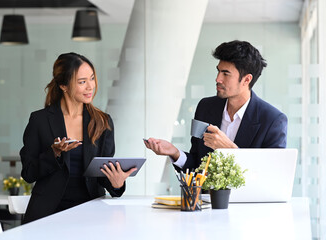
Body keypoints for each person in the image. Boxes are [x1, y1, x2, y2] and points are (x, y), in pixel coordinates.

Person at [20, 52, 136, 223]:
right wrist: (54, 153)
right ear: (63, 85)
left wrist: (117, 183)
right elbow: (28, 173)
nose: (90, 87)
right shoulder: (40, 121)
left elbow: (103, 174)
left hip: (91, 213)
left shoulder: (102, 122)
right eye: (82, 82)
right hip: (47, 214)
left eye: (92, 78)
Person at [144, 40, 287, 171]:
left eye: (226, 74)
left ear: (246, 80)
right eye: (218, 71)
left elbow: (271, 175)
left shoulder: (273, 120)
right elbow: (197, 164)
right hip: (206, 199)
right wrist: (175, 153)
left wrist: (231, 150)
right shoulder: (206, 107)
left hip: (247, 200)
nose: (218, 79)